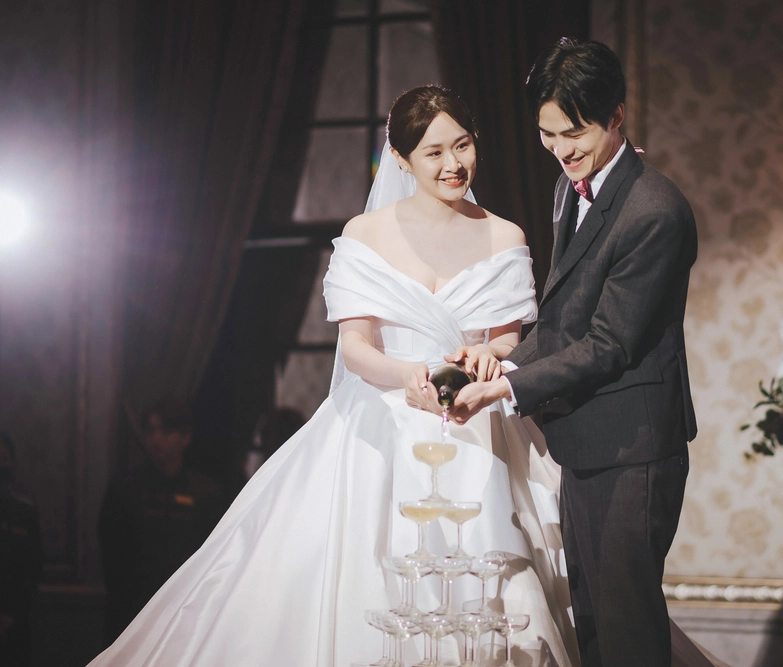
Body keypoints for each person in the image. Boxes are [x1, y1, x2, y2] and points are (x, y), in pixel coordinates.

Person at [89, 85, 576, 667]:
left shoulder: (504, 234)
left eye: (463, 145)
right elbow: (357, 349)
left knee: (497, 569)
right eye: (433, 152)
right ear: (400, 159)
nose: (453, 164)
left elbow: (506, 339)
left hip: (476, 419)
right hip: (382, 419)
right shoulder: (366, 234)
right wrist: (409, 375)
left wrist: (489, 355)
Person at [450, 38, 701, 666]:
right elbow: (564, 318)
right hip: (587, 442)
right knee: (590, 621)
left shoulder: (654, 211)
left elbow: (609, 342)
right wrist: (501, 361)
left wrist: (508, 389)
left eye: (574, 133)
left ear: (616, 115)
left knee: (626, 631)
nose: (561, 150)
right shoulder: (572, 188)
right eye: (547, 134)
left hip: (633, 450)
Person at [98, 401, 226, 645]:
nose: (156, 439)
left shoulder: (206, 494)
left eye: (166, 431)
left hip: (186, 610)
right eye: (150, 431)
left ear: (185, 438)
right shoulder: (125, 489)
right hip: (132, 610)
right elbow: (112, 553)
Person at [0, 431, 42, 667]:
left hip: (16, 621)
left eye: (4, 459)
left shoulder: (24, 509)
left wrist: (10, 614)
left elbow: (32, 566)